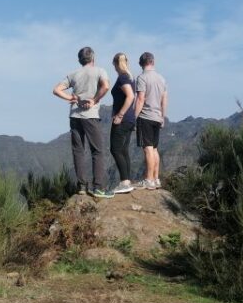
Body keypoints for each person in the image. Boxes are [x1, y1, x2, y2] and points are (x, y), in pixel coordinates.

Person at [52, 46, 114, 198]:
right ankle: (98, 188)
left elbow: (56, 90)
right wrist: (94, 100)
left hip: (74, 116)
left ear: (80, 60)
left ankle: (81, 187)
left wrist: (71, 98)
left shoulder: (73, 74)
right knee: (97, 151)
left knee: (78, 151)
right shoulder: (100, 71)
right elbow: (106, 86)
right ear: (93, 58)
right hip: (90, 116)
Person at [134, 51, 168, 190]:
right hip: (157, 116)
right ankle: (156, 178)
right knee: (154, 148)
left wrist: (134, 116)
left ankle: (148, 180)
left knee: (147, 148)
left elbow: (141, 99)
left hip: (145, 117)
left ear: (141, 64)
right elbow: (164, 99)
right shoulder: (162, 79)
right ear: (153, 62)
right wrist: (162, 116)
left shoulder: (142, 78)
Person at [109, 52, 136, 194]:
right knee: (123, 150)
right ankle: (127, 181)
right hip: (130, 119)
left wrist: (120, 115)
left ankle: (125, 182)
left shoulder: (123, 77)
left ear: (115, 63)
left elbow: (130, 96)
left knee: (115, 149)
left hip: (123, 119)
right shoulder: (130, 77)